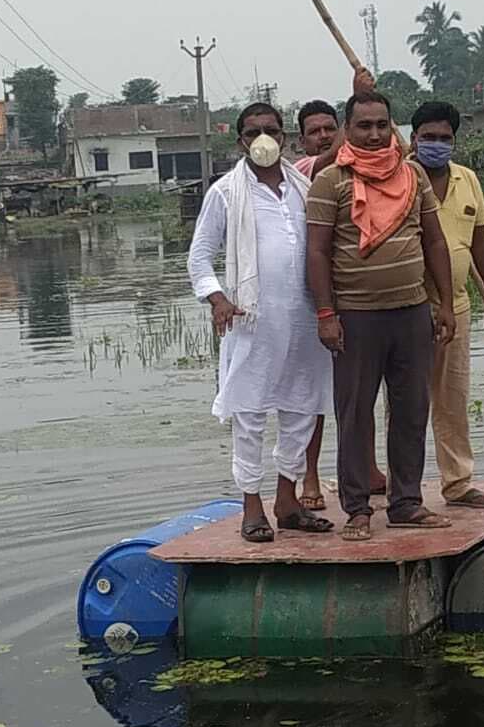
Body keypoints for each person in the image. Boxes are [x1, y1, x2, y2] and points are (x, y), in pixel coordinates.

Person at [306, 76, 457, 541]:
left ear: (394, 128)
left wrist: (445, 304)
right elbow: (316, 252)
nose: (373, 135)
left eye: (381, 125)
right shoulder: (331, 181)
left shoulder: (411, 176)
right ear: (347, 130)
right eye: (363, 126)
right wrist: (326, 314)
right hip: (354, 316)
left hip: (411, 311)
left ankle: (406, 503)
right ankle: (356, 509)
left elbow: (433, 239)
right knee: (354, 414)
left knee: (412, 409)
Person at [187, 102, 334, 543]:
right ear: (240, 141)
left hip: (305, 321)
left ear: (285, 137)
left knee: (301, 410)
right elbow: (199, 258)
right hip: (251, 322)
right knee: (249, 416)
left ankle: (287, 502)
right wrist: (217, 299)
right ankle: (253, 506)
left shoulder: (305, 188)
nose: (263, 139)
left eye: (271, 130)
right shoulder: (225, 193)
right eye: (253, 132)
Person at [411, 101, 484, 510]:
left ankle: (458, 482)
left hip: (460, 306)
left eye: (444, 139)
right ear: (413, 138)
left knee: (452, 398)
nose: (436, 145)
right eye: (428, 138)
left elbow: (481, 241)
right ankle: (404, 489)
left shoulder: (468, 180)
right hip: (410, 306)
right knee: (407, 402)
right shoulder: (400, 177)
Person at [293, 94, 387, 511]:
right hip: (315, 297)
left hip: (355, 297)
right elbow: (328, 160)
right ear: (302, 141)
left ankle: (367, 467)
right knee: (313, 395)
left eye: (330, 128)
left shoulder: (360, 174)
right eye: (314, 132)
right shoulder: (303, 173)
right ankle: (309, 475)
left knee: (359, 392)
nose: (323, 137)